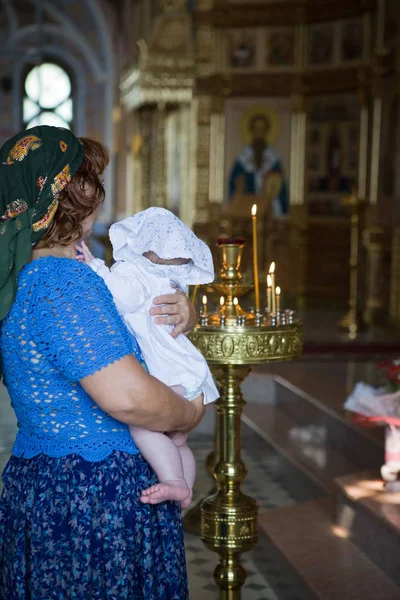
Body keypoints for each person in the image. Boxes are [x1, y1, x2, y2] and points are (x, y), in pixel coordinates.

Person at [0, 126, 202, 598]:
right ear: (75, 194)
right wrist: (191, 411)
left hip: (48, 481)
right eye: (89, 179)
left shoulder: (23, 270)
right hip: (92, 495)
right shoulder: (62, 281)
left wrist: (181, 317)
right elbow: (130, 400)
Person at [77, 207, 219, 509]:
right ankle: (187, 490)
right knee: (179, 441)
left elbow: (119, 296)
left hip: (169, 376)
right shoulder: (172, 280)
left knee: (143, 426)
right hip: (188, 375)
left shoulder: (137, 272)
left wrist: (95, 266)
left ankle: (175, 482)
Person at [228, 113, 288, 215]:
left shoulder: (273, 158)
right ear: (252, 131)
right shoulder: (242, 158)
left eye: (262, 130)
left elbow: (280, 187)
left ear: (266, 132)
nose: (259, 133)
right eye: (256, 129)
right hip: (247, 206)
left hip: (269, 208)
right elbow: (234, 185)